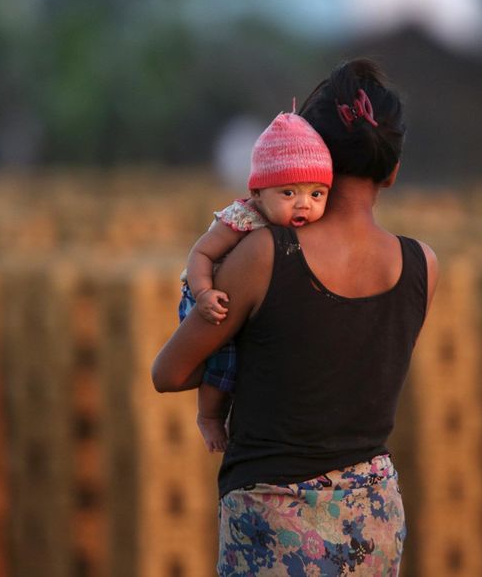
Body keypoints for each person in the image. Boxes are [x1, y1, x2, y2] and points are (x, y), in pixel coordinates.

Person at [153, 58, 438, 575]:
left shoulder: (266, 254)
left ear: (311, 157)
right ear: (392, 171)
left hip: (276, 524)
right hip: (374, 519)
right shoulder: (423, 264)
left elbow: (169, 373)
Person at [180, 111, 333, 452]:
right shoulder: (241, 219)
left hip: (251, 301)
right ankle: (207, 416)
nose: (303, 204)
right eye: (289, 192)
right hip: (212, 298)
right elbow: (199, 255)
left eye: (317, 195)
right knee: (225, 359)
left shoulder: (307, 228)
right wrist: (204, 292)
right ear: (258, 192)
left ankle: (240, 418)